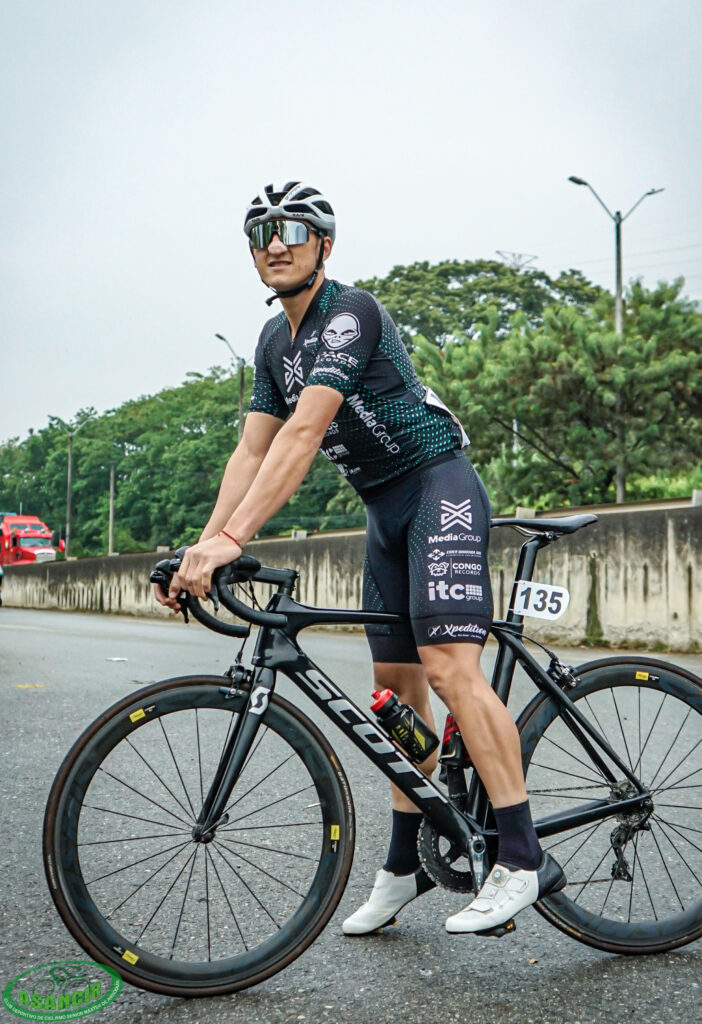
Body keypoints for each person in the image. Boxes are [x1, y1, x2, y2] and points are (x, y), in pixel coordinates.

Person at [154, 181, 565, 936]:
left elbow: (304, 434)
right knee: (396, 695)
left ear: (324, 244)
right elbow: (253, 449)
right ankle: (406, 866)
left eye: (292, 230)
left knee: (449, 669)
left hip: (437, 486)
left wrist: (232, 541)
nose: (275, 245)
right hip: (384, 512)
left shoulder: (352, 312)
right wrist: (201, 546)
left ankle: (522, 857)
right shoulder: (273, 342)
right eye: (260, 234)